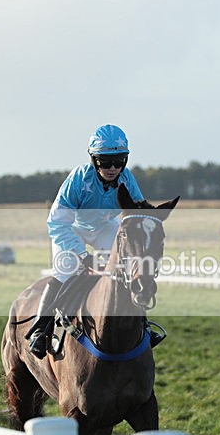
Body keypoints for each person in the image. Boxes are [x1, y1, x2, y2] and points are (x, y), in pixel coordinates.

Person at [27, 124, 146, 357]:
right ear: (93, 159)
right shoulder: (79, 178)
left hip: (104, 227)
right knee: (65, 269)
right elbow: (57, 222)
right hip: (71, 228)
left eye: (119, 161)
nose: (113, 168)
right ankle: (41, 330)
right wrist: (82, 256)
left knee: (124, 267)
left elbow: (138, 216)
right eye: (105, 161)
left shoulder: (128, 180)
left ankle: (141, 326)